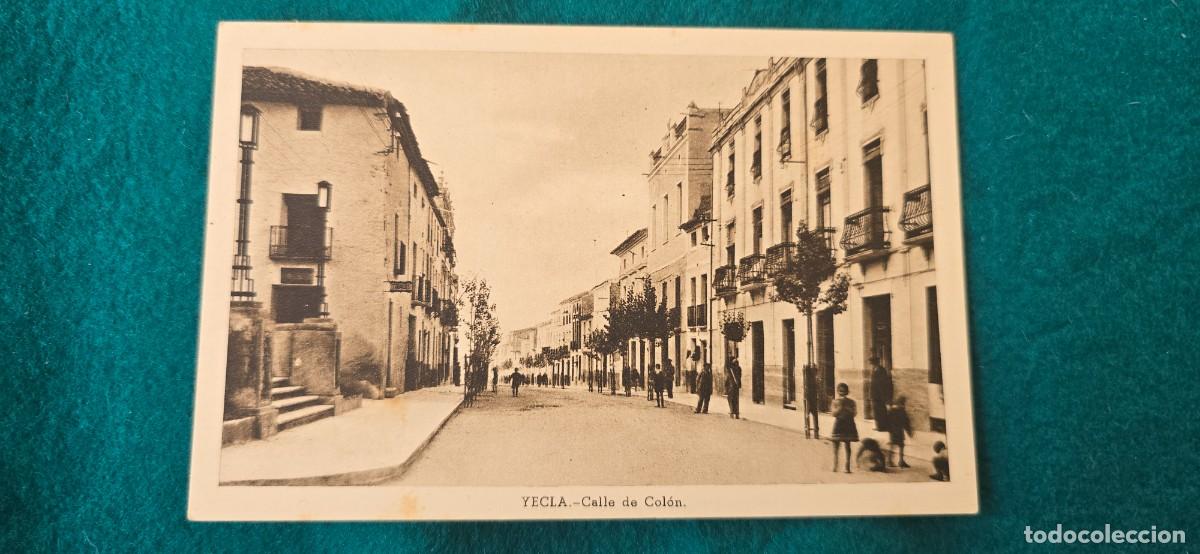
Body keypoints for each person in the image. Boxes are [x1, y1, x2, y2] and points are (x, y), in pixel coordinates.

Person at [830, 382, 858, 473]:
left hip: (847, 424)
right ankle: (835, 465)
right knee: (836, 445)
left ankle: (847, 466)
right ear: (838, 392)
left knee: (847, 445)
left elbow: (854, 413)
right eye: (841, 391)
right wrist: (840, 408)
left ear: (847, 392)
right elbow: (833, 413)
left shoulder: (851, 402)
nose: (842, 393)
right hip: (839, 424)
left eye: (844, 391)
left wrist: (847, 408)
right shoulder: (835, 402)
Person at [886, 396, 913, 468]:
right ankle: (892, 461)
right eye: (903, 403)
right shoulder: (900, 411)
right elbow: (906, 422)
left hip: (895, 431)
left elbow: (905, 422)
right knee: (897, 445)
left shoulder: (892, 410)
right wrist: (909, 431)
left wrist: (890, 430)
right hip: (896, 431)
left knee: (897, 445)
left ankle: (897, 461)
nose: (904, 404)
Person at [869, 355, 893, 431]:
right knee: (877, 411)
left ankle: (881, 427)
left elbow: (881, 384)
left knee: (880, 411)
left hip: (879, 395)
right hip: (875, 395)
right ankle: (879, 426)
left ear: (875, 363)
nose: (871, 365)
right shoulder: (875, 370)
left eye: (872, 363)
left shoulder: (881, 370)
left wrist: (883, 396)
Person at [803, 363, 820, 439]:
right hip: (809, 399)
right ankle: (810, 432)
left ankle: (814, 432)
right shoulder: (809, 379)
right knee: (809, 415)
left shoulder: (813, 380)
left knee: (812, 415)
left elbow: (817, 388)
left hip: (812, 399)